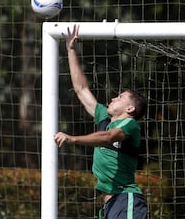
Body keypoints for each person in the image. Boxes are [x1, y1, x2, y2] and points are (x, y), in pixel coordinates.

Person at [54, 25, 148, 219]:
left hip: (126, 199)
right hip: (110, 205)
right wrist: (71, 50)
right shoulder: (104, 117)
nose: (114, 98)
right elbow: (81, 89)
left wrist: (73, 139)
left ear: (129, 109)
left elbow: (108, 137)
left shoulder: (129, 125)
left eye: (120, 97)